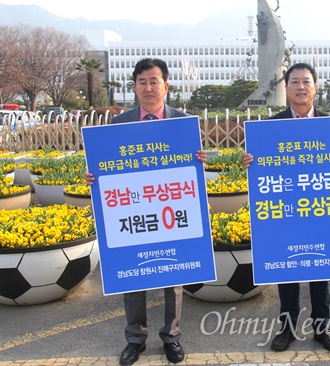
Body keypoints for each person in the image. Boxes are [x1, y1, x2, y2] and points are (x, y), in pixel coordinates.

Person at [85, 58, 206, 366]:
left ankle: (172, 337)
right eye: (142, 82)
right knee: (131, 274)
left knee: (174, 275)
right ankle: (135, 339)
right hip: (134, 212)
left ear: (166, 85)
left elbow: (190, 173)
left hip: (169, 211)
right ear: (135, 87)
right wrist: (94, 177)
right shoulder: (119, 124)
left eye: (154, 81)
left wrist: (200, 162)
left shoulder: (183, 123)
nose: (149, 88)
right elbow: (108, 166)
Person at [242, 62, 330, 352]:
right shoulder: (271, 128)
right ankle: (288, 329)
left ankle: (322, 329)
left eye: (306, 81)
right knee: (288, 272)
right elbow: (262, 167)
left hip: (320, 211)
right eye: (294, 82)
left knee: (322, 270)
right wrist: (249, 163)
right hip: (287, 213)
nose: (300, 87)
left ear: (315, 87)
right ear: (287, 87)